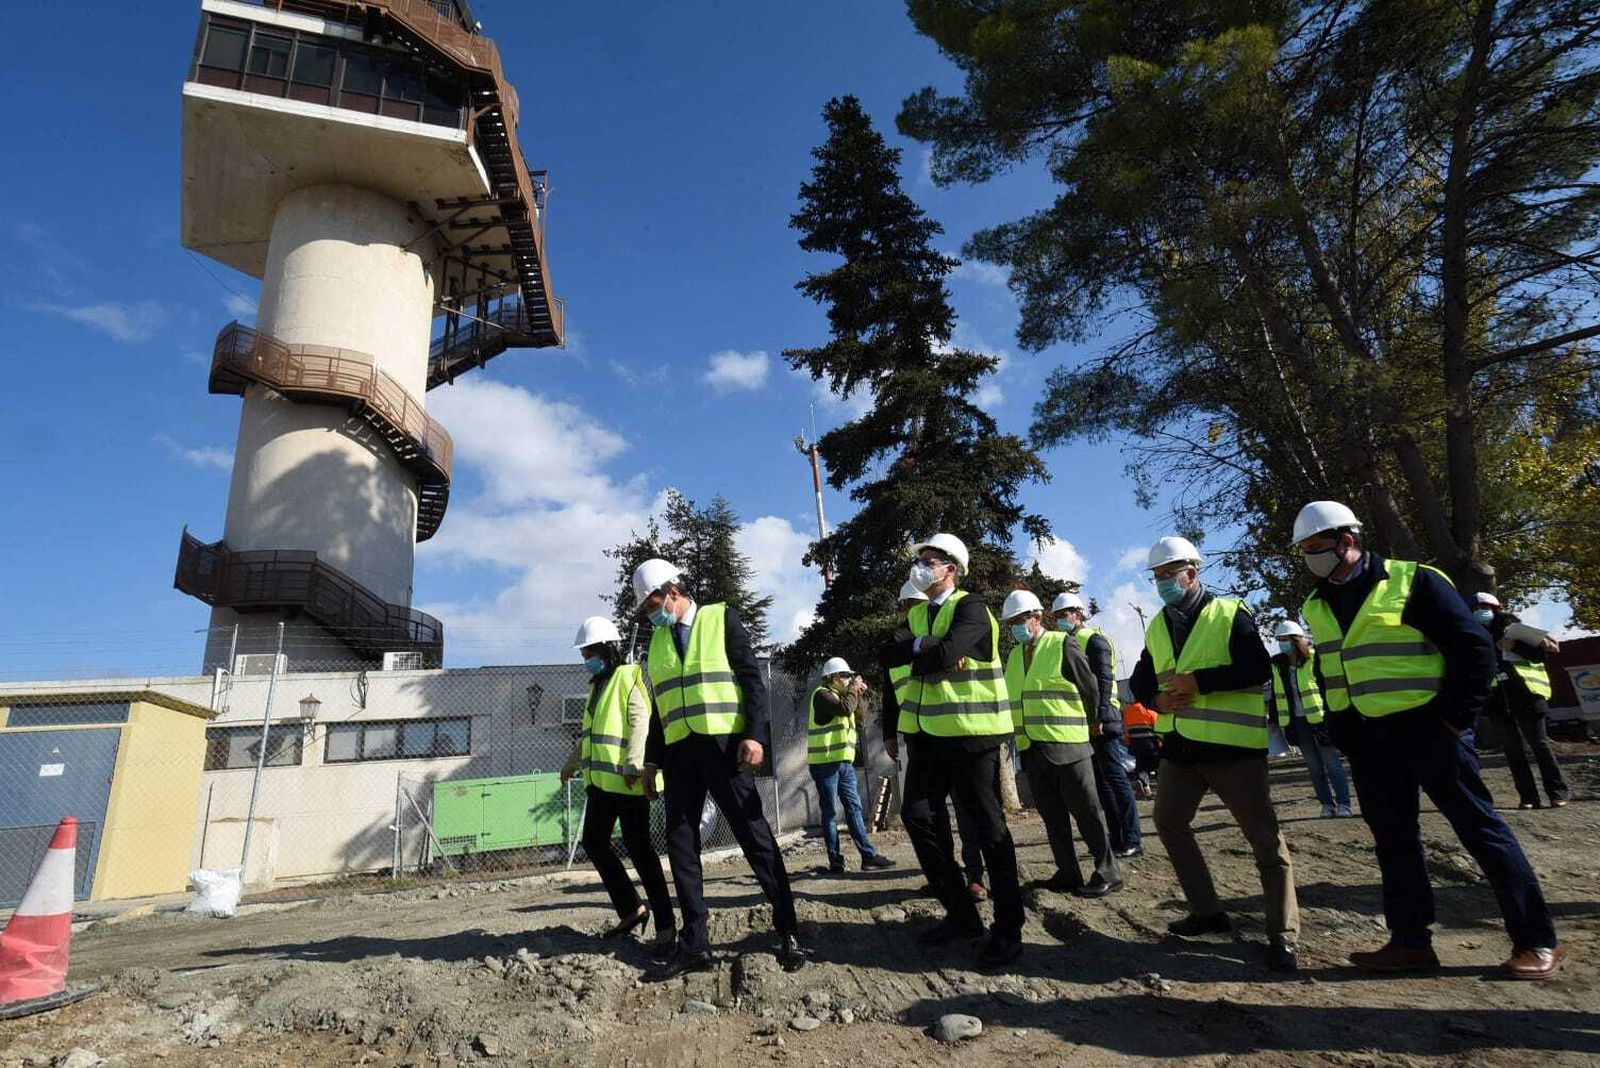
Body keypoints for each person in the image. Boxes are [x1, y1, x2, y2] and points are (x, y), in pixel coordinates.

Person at [1293, 501, 1564, 980]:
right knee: (1394, 842)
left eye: (1316, 548)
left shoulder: (1414, 581)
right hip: (1371, 741)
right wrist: (1344, 732)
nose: (1310, 558)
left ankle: (1535, 939)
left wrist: (1453, 721)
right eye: (1305, 552)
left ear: (1348, 541)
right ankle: (1410, 942)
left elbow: (1474, 650)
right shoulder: (1316, 603)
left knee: (1481, 830)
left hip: (1431, 732)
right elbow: (1332, 669)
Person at [1130, 536, 1299, 973]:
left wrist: (1200, 682)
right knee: (1168, 821)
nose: (1164, 582)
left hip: (1232, 751)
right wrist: (1156, 701)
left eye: (1171, 573)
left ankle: (1282, 935)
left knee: (1264, 838)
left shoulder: (1230, 613)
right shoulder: (1156, 625)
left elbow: (1256, 668)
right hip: (1181, 749)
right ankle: (1207, 912)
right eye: (1158, 576)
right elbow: (1142, 677)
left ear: (1193, 570)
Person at [632, 558, 807, 975]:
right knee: (680, 845)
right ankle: (696, 945)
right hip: (679, 754)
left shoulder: (720, 619)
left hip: (725, 748)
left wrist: (754, 735)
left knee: (754, 835)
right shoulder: (655, 644)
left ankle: (788, 930)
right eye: (644, 608)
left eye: (653, 603)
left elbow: (751, 680)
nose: (649, 613)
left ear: (673, 592)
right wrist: (650, 762)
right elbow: (660, 709)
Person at [880, 533, 1026, 970]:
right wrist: (928, 649)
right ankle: (962, 915)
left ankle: (1008, 929)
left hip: (972, 735)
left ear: (952, 569)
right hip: (926, 736)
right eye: (919, 560)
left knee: (987, 829)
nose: (921, 567)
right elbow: (889, 655)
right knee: (917, 817)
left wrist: (927, 653)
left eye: (930, 560)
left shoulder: (972, 606)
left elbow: (941, 653)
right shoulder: (922, 614)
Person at [560, 616, 677, 955]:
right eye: (584, 654)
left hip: (628, 781)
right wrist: (572, 761)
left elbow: (642, 720)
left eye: (590, 652)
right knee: (595, 842)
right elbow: (591, 737)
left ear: (609, 650)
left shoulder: (630, 675)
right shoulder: (596, 687)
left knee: (640, 849)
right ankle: (632, 909)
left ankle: (666, 926)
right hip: (600, 784)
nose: (586, 659)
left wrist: (635, 764)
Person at [1003, 590, 1121, 896]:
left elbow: (1090, 688)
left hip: (1068, 746)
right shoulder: (1014, 657)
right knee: (1053, 818)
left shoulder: (1061, 643)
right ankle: (1068, 872)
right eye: (1011, 623)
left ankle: (1108, 870)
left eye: (1019, 620)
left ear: (1037, 618)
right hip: (1032, 750)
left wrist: (1094, 720)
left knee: (1087, 811)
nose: (1015, 627)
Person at [882, 581, 989, 901]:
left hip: (957, 730)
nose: (911, 612)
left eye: (916, 603)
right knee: (929, 814)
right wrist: (889, 730)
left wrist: (934, 644)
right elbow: (890, 688)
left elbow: (955, 648)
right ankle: (946, 877)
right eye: (907, 607)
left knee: (967, 807)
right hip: (918, 734)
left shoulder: (957, 624)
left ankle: (976, 876)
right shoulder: (903, 640)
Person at [1053, 591, 1142, 858]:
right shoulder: (1067, 642)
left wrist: (1100, 718)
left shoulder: (1094, 641)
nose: (1060, 620)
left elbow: (1104, 682)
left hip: (1104, 721)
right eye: (1056, 616)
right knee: (1102, 784)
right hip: (1084, 723)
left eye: (1064, 614)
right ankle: (1116, 838)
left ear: (1078, 613)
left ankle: (1133, 838)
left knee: (1116, 780)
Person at [1473, 592, 1571, 810]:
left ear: (1496, 608)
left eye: (1485, 606)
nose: (1481, 611)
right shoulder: (1473, 633)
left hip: (1526, 695)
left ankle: (1557, 793)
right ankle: (1528, 797)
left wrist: (1513, 645)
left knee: (1540, 745)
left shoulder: (1514, 629)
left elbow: (1540, 655)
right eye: (1477, 607)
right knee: (1512, 749)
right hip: (1498, 700)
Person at [808, 657, 896, 873]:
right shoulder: (822, 695)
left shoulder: (842, 695)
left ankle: (868, 856)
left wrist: (858, 693)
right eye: (846, 676)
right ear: (835, 678)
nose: (849, 680)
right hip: (825, 764)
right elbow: (845, 709)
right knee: (829, 812)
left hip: (844, 763)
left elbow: (859, 718)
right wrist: (853, 691)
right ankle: (835, 862)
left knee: (854, 808)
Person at [1268, 620, 1352, 818]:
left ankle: (1344, 804)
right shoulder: (1277, 664)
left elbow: (1327, 686)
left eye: (1285, 639)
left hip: (1320, 719)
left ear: (1296, 639)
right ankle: (1326, 805)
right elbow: (1275, 692)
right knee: (1314, 766)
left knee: (1331, 762)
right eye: (1279, 640)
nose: (1281, 643)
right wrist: (1274, 718)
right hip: (1296, 722)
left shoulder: (1315, 659)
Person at [1122, 700, 1160, 799]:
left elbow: (1126, 730)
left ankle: (1145, 787)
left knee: (1141, 766)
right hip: (1151, 744)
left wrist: (1128, 743)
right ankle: (1161, 790)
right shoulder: (1151, 710)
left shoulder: (1127, 711)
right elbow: (1158, 729)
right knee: (1157, 766)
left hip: (1136, 744)